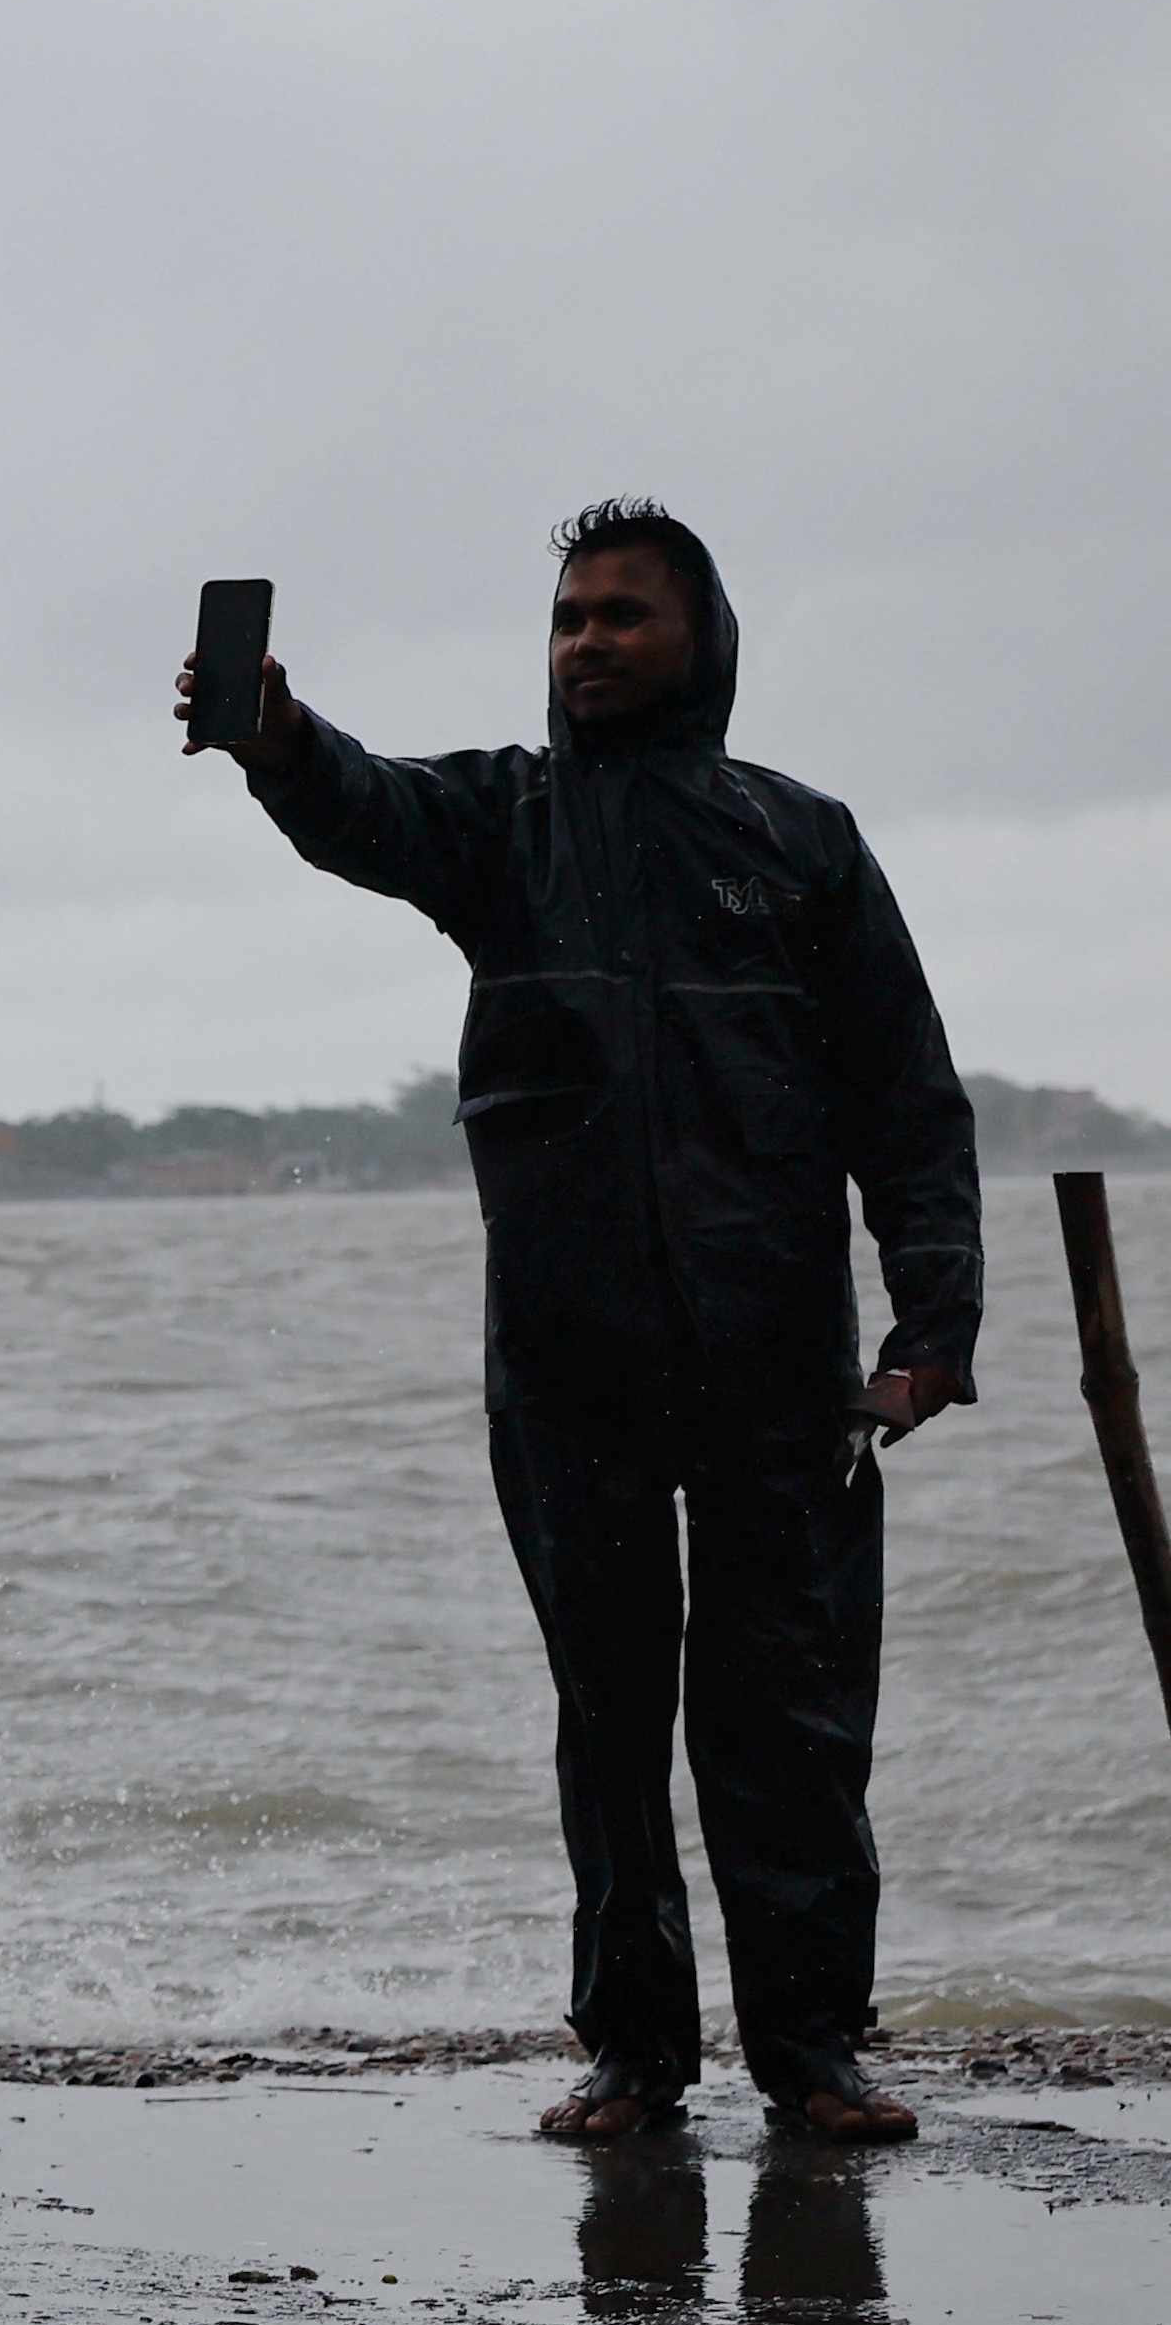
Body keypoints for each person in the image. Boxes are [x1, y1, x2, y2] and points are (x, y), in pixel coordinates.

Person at [185, 500, 973, 2147]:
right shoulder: (505, 823)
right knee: (608, 1724)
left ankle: (814, 2052)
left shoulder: (801, 839)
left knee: (791, 1726)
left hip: (778, 1367)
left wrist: (932, 1329)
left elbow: (907, 1101)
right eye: (568, 618)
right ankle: (632, 2053)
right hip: (567, 1367)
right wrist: (275, 740)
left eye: (622, 614)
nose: (588, 642)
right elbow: (366, 805)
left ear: (701, 638)